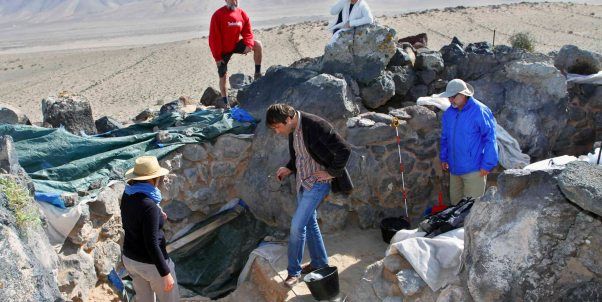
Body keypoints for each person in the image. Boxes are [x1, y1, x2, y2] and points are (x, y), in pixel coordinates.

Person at [266, 104, 353, 288]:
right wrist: (288, 168)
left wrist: (332, 172)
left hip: (318, 183)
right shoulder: (292, 128)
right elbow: (300, 155)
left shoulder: (316, 124)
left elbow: (344, 149)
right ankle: (319, 263)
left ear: (288, 119)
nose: (277, 132)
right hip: (302, 182)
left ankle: (293, 272)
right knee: (310, 222)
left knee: (297, 226)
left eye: (277, 127)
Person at [121, 156, 179, 301]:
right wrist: (165, 273)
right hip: (151, 264)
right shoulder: (149, 206)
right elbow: (151, 243)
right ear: (153, 179)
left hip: (130, 260)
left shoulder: (128, 194)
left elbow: (135, 218)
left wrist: (157, 215)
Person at [436, 79, 499, 205]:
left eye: (453, 97)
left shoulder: (480, 111)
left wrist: (487, 164)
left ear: (464, 94)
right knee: (455, 207)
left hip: (474, 170)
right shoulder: (449, 113)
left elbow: (490, 138)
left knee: (470, 209)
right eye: (449, 97)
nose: (450, 100)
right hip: (454, 169)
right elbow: (445, 138)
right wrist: (444, 158)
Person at [209, 0, 263, 107]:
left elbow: (248, 32)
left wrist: (248, 43)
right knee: (223, 76)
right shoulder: (218, 15)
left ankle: (257, 74)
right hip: (222, 50)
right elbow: (213, 38)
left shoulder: (241, 14)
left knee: (258, 45)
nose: (234, 1)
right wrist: (217, 57)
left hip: (235, 45)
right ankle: (226, 103)